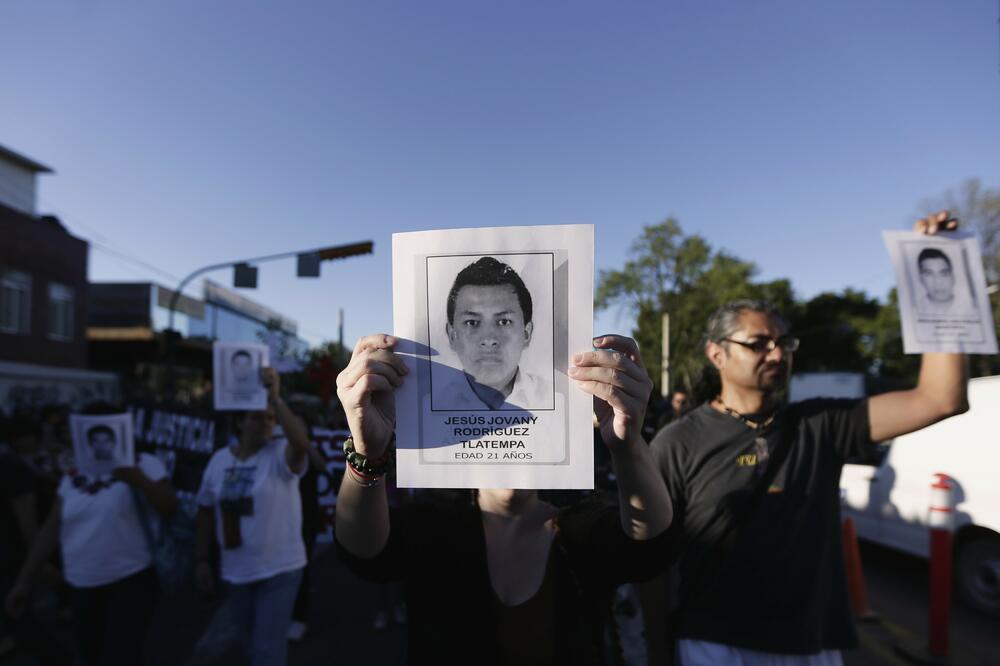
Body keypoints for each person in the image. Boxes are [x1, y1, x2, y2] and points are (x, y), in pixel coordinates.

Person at [650, 212, 970, 665]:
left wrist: (937, 276)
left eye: (784, 343)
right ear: (716, 353)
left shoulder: (822, 423)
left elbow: (941, 398)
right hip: (715, 643)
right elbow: (652, 565)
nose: (777, 353)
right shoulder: (676, 442)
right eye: (758, 343)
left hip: (811, 644)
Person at [336, 332, 674, 665]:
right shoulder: (434, 525)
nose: (505, 426)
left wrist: (627, 445)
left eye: (523, 410)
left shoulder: (578, 527)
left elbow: (649, 550)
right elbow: (366, 553)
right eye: (487, 411)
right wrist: (367, 454)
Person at [4, 406, 178, 666]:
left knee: (121, 656)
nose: (101, 444)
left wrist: (138, 479)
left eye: (106, 437)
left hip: (131, 578)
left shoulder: (145, 464)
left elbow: (169, 507)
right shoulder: (75, 473)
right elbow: (52, 528)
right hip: (82, 583)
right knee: (92, 656)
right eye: (94, 438)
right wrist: (25, 581)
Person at [190, 366, 311, 666]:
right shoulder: (219, 460)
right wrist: (201, 559)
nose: (267, 424)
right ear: (240, 423)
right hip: (237, 571)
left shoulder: (280, 455)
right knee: (246, 645)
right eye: (259, 417)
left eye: (271, 419)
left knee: (267, 654)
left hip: (280, 570)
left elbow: (302, 445)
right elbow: (206, 511)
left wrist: (276, 399)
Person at [436, 256, 549, 410]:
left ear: (526, 334)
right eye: (472, 323)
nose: (489, 340)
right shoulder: (417, 407)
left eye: (504, 322)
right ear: (451, 336)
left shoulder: (562, 400)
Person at [915, 247, 968, 316]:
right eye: (929, 274)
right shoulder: (913, 313)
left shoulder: (973, 308)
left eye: (944, 274)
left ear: (953, 276)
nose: (938, 282)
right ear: (921, 279)